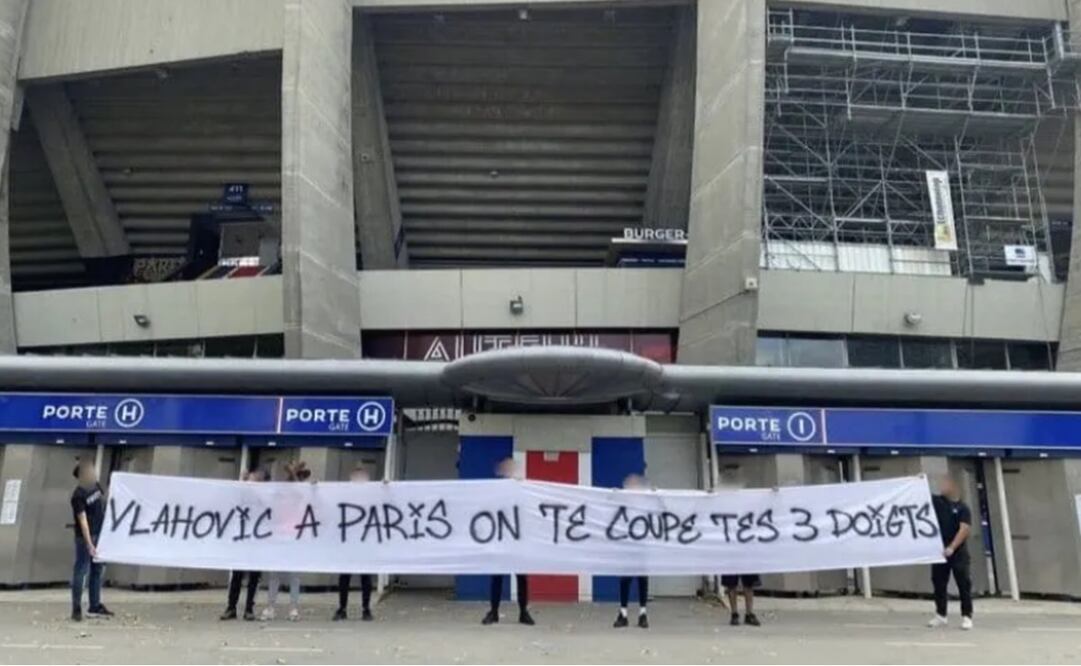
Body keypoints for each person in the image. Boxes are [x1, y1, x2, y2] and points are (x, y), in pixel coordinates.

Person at [482, 457, 534, 626]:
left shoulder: (523, 489)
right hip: (502, 538)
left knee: (521, 578)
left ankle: (523, 611)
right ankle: (494, 611)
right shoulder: (498, 491)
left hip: (518, 539)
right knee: (497, 576)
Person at [262, 461, 312, 621]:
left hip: (294, 537)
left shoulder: (300, 493)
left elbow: (300, 493)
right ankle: (271, 607)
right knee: (274, 575)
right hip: (278, 536)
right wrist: (291, 474)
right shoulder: (281, 493)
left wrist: (294, 474)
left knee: (294, 575)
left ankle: (293, 608)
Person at [221, 468, 269, 621]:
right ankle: (231, 607)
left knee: (254, 577)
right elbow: (234, 499)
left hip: (257, 541)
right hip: (242, 540)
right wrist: (241, 481)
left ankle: (249, 608)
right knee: (237, 575)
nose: (252, 483)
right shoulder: (243, 494)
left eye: (255, 480)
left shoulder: (266, 496)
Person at [928, 474, 974, 631]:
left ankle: (967, 616)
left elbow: (964, 529)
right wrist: (918, 480)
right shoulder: (938, 503)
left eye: (945, 483)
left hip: (957, 552)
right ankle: (941, 614)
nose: (942, 486)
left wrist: (952, 547)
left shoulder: (963, 508)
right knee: (938, 583)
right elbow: (922, 494)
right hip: (940, 551)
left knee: (963, 583)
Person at [70, 459, 113, 622]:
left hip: (100, 534)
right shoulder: (78, 496)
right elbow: (82, 520)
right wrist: (89, 544)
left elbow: (103, 505)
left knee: (97, 571)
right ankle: (76, 608)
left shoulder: (96, 487)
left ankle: (95, 605)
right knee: (81, 571)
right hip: (85, 538)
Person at [334, 465, 375, 622]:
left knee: (365, 577)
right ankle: (342, 608)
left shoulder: (372, 496)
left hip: (365, 541)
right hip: (348, 542)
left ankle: (366, 608)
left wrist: (386, 487)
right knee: (344, 577)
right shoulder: (344, 495)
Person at [614, 473, 649, 629]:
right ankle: (623, 613)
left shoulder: (645, 503)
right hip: (627, 545)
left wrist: (657, 495)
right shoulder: (623, 502)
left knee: (642, 578)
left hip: (641, 545)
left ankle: (643, 613)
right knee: (625, 579)